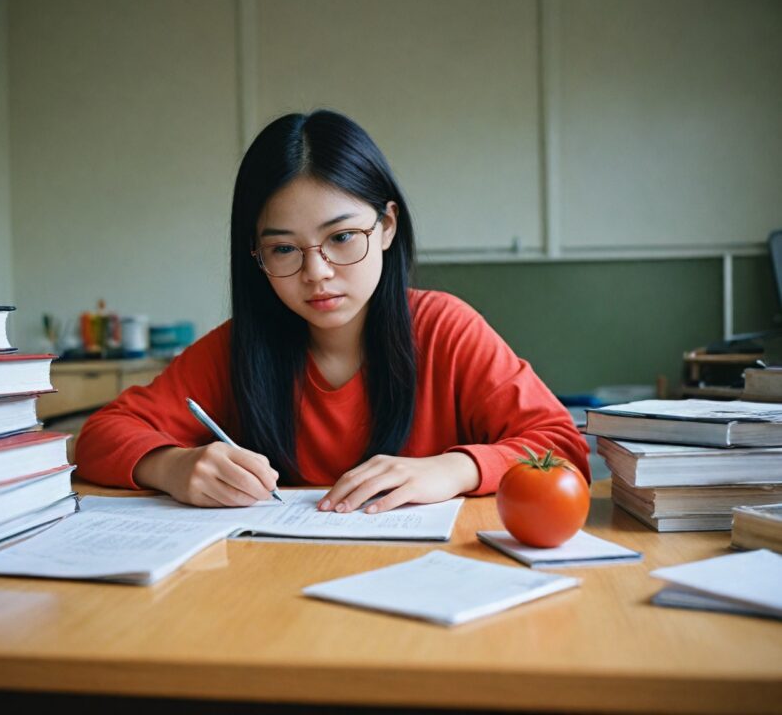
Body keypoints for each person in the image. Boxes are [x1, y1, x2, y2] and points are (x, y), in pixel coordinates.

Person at [74, 110, 589, 514]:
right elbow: (100, 435)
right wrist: (174, 466)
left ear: (387, 226)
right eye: (283, 249)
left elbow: (564, 447)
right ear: (254, 255)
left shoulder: (444, 329)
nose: (316, 272)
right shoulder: (238, 349)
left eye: (341, 237)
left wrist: (454, 469)